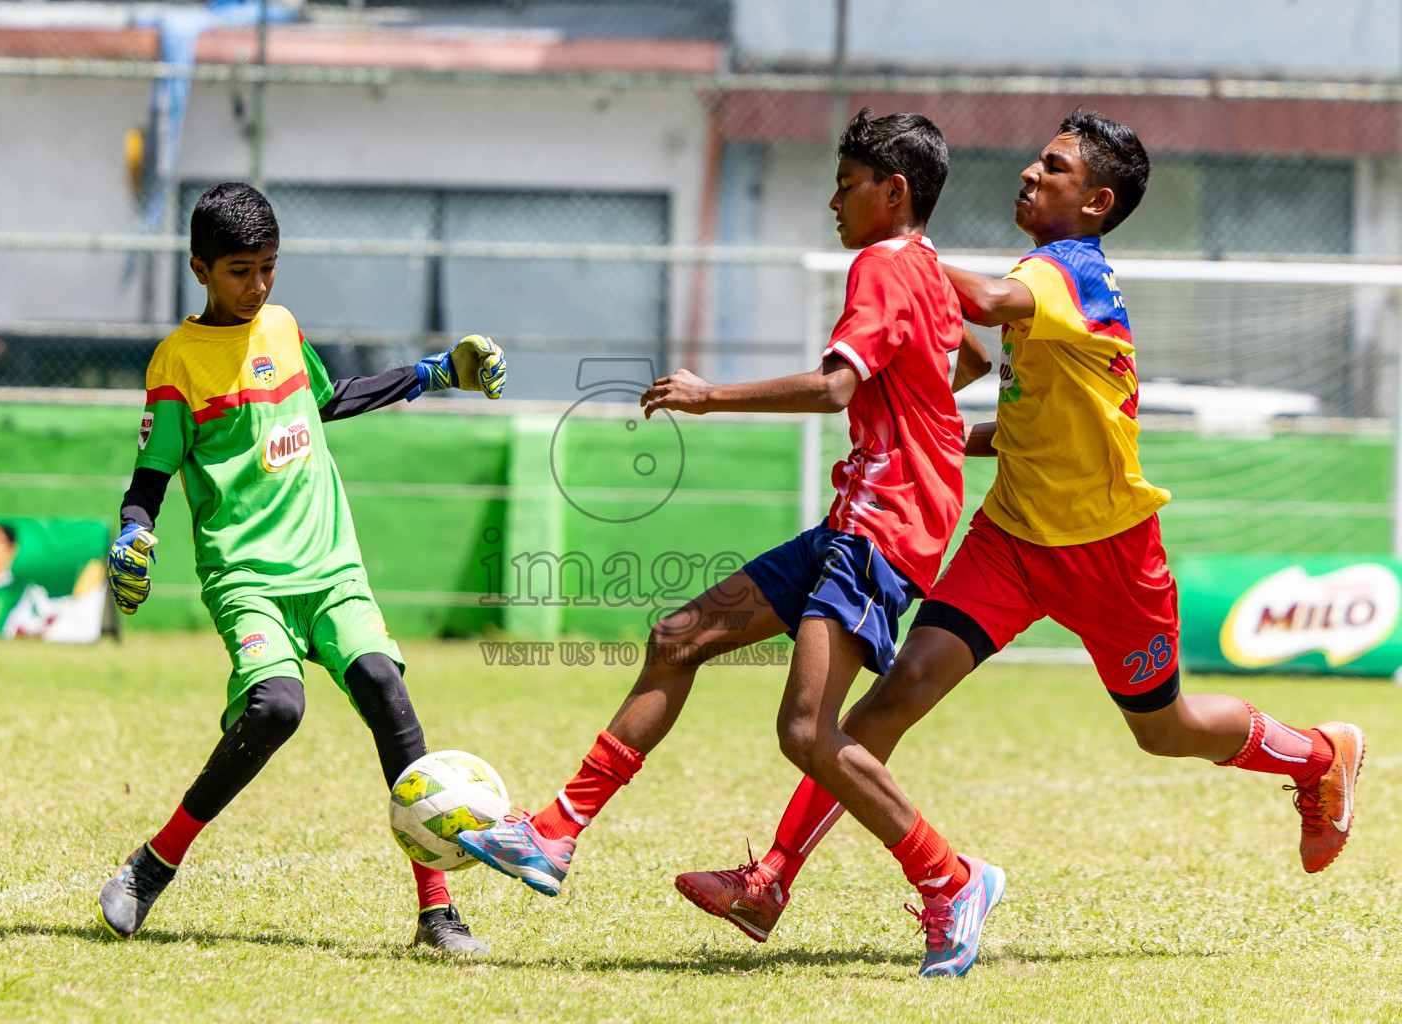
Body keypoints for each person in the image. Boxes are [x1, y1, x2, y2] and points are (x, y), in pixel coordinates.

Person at [674, 110, 1365, 978]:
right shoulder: (1042, 277)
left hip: (1111, 553)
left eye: (1055, 167)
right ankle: (772, 879)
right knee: (889, 702)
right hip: (1010, 539)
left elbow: (994, 303)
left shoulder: (1067, 275)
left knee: (1167, 729)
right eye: (1037, 162)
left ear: (1096, 201)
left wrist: (904, 255)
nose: (1031, 175)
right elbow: (1029, 416)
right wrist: (946, 435)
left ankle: (1318, 753)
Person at [455, 110, 990, 932]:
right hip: (860, 520)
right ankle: (553, 834)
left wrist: (709, 396)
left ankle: (950, 880)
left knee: (806, 729)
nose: (832, 203)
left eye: (846, 186)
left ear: (894, 191)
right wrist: (923, 421)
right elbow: (976, 358)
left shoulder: (883, 269)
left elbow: (834, 388)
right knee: (679, 637)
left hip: (882, 530)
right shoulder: (929, 269)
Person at [97, 182, 508, 955]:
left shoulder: (281, 328)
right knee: (277, 709)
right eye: (240, 271)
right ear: (200, 268)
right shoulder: (177, 362)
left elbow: (330, 399)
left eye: (269, 268)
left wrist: (434, 373)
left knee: (386, 686)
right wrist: (132, 536)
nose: (258, 286)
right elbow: (147, 480)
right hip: (247, 577)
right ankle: (151, 869)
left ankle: (437, 912)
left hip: (330, 569)